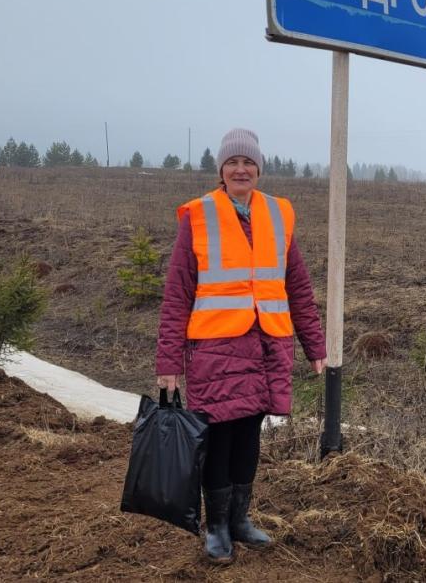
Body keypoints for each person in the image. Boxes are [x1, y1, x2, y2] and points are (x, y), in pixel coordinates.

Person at [156, 127, 327, 564]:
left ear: (259, 168)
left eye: (248, 162)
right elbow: (177, 293)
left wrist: (314, 345)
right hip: (215, 346)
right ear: (221, 170)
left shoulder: (278, 214)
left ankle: (239, 520)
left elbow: (298, 286)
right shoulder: (199, 215)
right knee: (217, 435)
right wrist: (169, 361)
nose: (240, 169)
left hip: (266, 342)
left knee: (250, 432)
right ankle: (216, 529)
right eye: (232, 162)